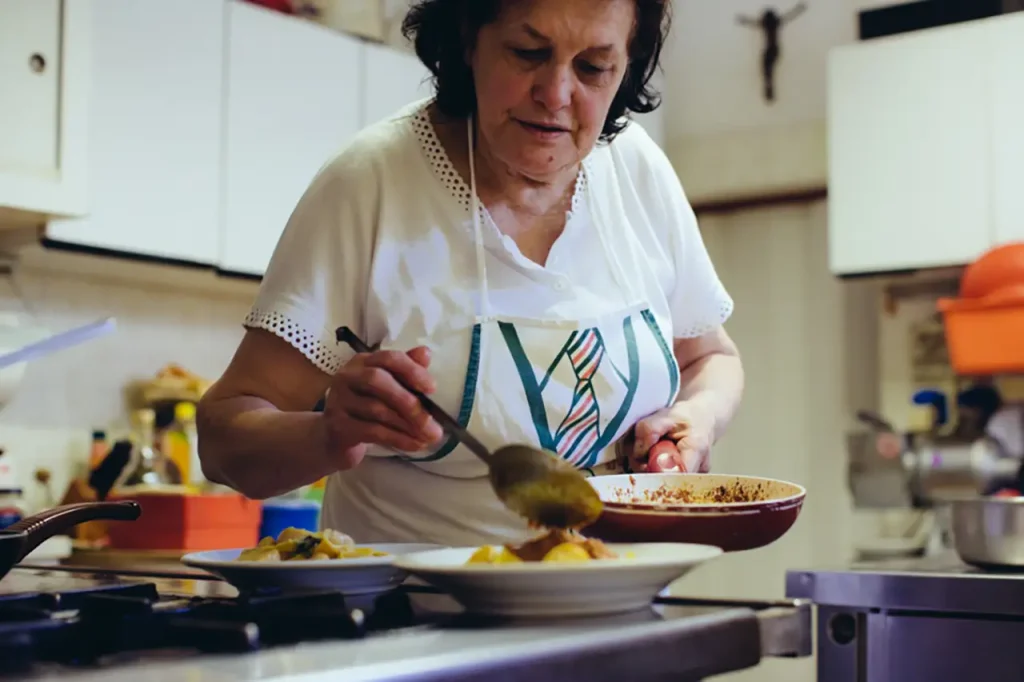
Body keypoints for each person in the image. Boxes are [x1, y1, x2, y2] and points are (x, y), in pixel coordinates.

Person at [197, 0, 745, 547]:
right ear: (468, 40)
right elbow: (223, 442)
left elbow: (710, 358)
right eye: (528, 52)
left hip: (623, 610)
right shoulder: (372, 183)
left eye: (593, 67)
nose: (555, 94)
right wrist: (327, 434)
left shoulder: (636, 170)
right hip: (415, 619)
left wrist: (698, 418)